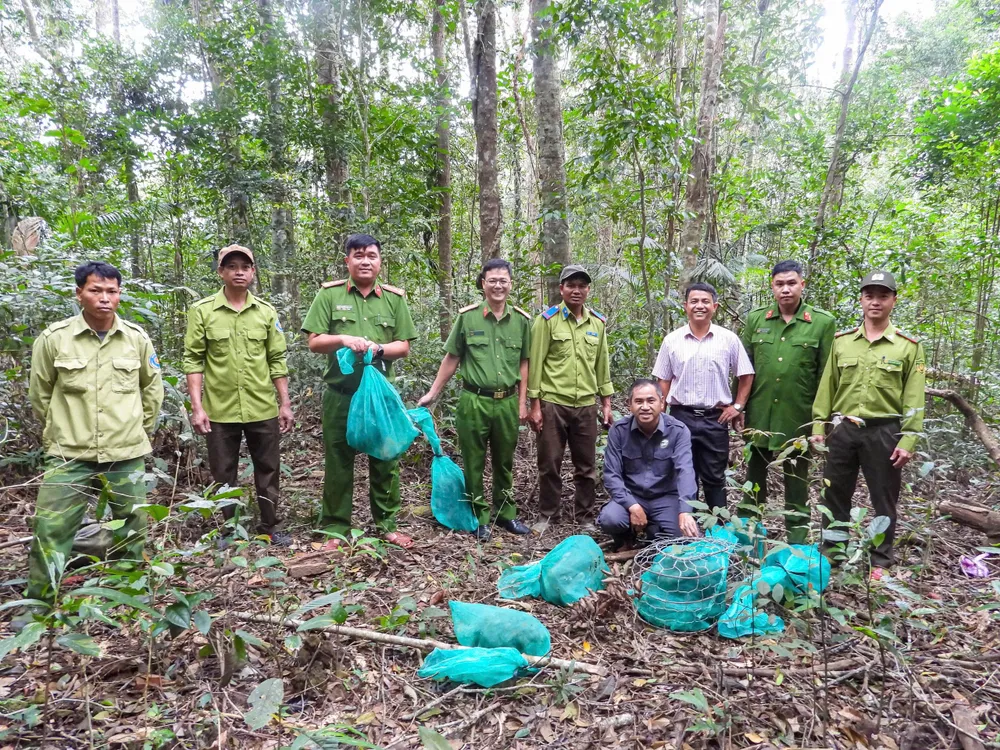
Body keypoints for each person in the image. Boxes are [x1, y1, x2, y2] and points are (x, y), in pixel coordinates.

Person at [20, 262, 163, 623]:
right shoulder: (54, 339)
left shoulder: (136, 338)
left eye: (111, 291)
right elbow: (41, 395)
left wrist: (136, 429)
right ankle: (39, 605)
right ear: (79, 293)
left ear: (119, 294)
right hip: (70, 452)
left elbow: (152, 389)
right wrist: (61, 431)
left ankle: (129, 596)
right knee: (51, 528)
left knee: (132, 527)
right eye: (95, 290)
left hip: (126, 451)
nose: (104, 298)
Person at [302, 234, 418, 549]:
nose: (365, 261)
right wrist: (343, 339)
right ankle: (336, 529)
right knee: (338, 461)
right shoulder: (328, 295)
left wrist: (378, 348)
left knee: (386, 459)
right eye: (358, 255)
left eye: (371, 255)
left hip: (380, 397)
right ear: (347, 261)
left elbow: (403, 346)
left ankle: (387, 525)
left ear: (380, 261)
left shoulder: (394, 299)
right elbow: (314, 341)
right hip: (341, 395)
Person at [811, 270, 925, 578]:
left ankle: (880, 562)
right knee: (834, 494)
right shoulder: (843, 342)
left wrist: (908, 439)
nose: (875, 302)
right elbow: (827, 387)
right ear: (861, 300)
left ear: (893, 301)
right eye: (869, 295)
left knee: (883, 498)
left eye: (883, 296)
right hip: (843, 429)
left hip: (884, 430)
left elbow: (914, 398)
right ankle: (833, 555)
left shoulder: (908, 347)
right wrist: (819, 427)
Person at [183, 245, 294, 545]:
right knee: (224, 472)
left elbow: (277, 360)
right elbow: (194, 360)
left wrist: (284, 403)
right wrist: (197, 407)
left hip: (262, 406)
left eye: (245, 266)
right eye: (231, 266)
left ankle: (269, 527)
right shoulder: (203, 311)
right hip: (220, 409)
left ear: (254, 272)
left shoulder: (266, 312)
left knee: (268, 469)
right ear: (221, 272)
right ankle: (230, 530)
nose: (239, 271)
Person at [418, 260, 532, 540]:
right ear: (483, 283)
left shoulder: (520, 320)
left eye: (503, 280)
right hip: (473, 401)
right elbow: (452, 358)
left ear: (510, 284)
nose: (498, 286)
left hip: (506, 401)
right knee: (473, 461)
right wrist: (433, 392)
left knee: (504, 461)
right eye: (492, 280)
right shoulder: (468, 318)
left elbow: (524, 363)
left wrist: (521, 402)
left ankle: (505, 513)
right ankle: (478, 516)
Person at [739, 260, 836, 542]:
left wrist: (820, 422)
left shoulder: (821, 322)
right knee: (753, 478)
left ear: (802, 285)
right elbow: (745, 371)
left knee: (797, 481)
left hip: (798, 417)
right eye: (779, 284)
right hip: (759, 415)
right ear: (772, 287)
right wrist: (739, 408)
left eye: (791, 283)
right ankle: (748, 536)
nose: (785, 289)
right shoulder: (756, 319)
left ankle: (796, 542)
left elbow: (825, 376)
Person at [652, 282, 754, 512]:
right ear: (685, 306)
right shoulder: (672, 340)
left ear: (714, 306)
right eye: (694, 301)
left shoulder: (728, 339)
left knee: (714, 475)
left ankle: (717, 527)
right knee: (682, 471)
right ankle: (686, 526)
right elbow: (663, 380)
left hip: (715, 418)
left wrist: (738, 405)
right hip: (681, 416)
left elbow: (746, 374)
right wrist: (661, 414)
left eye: (705, 301)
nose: (700, 306)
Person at [527, 264, 614, 532]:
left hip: (586, 405)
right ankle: (548, 515)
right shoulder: (546, 321)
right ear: (561, 288)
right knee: (549, 463)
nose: (576, 290)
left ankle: (585, 517)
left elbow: (602, 365)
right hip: (554, 402)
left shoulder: (597, 324)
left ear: (588, 290)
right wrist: (535, 405)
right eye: (571, 285)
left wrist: (606, 403)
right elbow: (535, 363)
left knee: (586, 466)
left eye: (582, 286)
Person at [598, 379, 700, 548]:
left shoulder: (678, 431)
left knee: (684, 537)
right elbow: (611, 475)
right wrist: (632, 506)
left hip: (666, 497)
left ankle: (653, 531)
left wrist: (685, 511)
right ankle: (626, 536)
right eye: (638, 401)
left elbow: (686, 472)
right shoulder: (619, 431)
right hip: (632, 494)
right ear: (629, 405)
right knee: (610, 519)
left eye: (651, 401)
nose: (645, 407)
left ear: (662, 403)